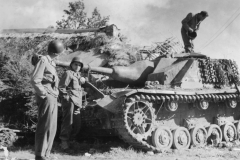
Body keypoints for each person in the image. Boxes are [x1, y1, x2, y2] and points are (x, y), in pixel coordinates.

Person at [31, 40, 64, 160]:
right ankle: (40, 154)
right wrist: (44, 94)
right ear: (57, 53)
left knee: (52, 127)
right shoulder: (44, 60)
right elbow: (35, 79)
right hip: (47, 96)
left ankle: (46, 154)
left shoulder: (51, 63)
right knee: (45, 126)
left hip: (53, 96)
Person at [58, 56, 86, 151]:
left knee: (77, 123)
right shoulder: (68, 73)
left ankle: (72, 141)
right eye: (76, 64)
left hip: (77, 101)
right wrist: (66, 98)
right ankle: (64, 142)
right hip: (70, 100)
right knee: (68, 122)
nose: (77, 66)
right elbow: (61, 87)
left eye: (79, 65)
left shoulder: (78, 76)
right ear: (71, 65)